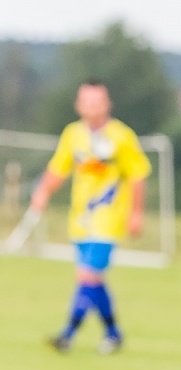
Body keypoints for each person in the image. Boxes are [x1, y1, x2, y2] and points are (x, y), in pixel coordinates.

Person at [33, 81, 150, 355]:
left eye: (98, 101)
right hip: (81, 219)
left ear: (108, 104)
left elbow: (138, 175)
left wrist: (136, 213)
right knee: (93, 280)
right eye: (87, 101)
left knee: (87, 275)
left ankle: (68, 334)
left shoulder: (122, 136)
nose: (92, 106)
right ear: (78, 104)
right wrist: (42, 192)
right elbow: (58, 169)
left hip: (108, 219)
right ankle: (113, 333)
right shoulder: (73, 135)